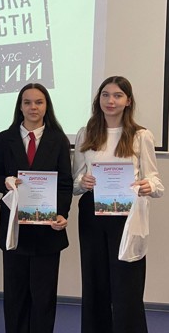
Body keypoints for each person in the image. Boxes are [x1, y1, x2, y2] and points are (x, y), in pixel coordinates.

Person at [72, 76, 164, 333]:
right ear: (98, 99)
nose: (110, 101)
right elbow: (75, 182)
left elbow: (156, 181)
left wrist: (148, 186)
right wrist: (83, 182)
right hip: (92, 214)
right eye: (105, 95)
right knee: (94, 282)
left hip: (127, 216)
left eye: (117, 95)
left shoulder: (141, 135)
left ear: (128, 101)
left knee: (127, 284)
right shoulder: (85, 134)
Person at [0, 83, 73, 333]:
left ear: (47, 106)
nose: (33, 107)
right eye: (27, 102)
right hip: (14, 228)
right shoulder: (5, 138)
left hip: (47, 229)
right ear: (20, 106)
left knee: (44, 297)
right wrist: (5, 182)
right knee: (15, 296)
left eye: (39, 102)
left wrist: (62, 213)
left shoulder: (59, 140)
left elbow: (65, 183)